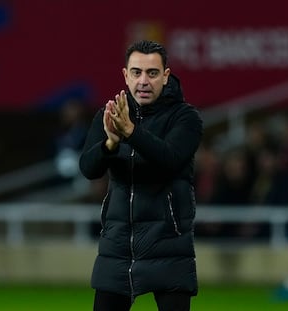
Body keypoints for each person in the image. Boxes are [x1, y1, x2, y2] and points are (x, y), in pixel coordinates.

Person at [79, 40, 203, 311]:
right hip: (118, 247)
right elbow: (88, 169)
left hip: (169, 245)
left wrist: (132, 133)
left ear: (166, 76)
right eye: (136, 72)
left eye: (152, 73)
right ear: (125, 75)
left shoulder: (185, 118)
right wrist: (110, 144)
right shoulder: (109, 115)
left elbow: (169, 159)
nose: (143, 81)